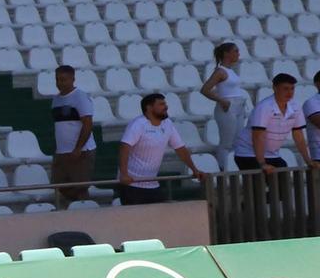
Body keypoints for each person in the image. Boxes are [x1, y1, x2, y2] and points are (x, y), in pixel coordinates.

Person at [117, 93, 205, 204]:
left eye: (165, 103)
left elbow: (180, 149)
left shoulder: (167, 124)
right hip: (132, 184)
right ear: (149, 107)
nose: (166, 107)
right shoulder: (138, 124)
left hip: (153, 183)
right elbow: (124, 147)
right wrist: (124, 175)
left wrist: (194, 170)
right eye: (161, 104)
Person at [235, 73, 314, 172]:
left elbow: (298, 135)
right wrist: (262, 163)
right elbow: (257, 136)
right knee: (260, 183)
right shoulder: (264, 107)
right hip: (248, 153)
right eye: (285, 89)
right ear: (275, 88)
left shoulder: (295, 106)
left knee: (283, 178)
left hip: (272, 155)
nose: (290, 92)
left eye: (292, 88)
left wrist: (308, 161)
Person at [48, 66, 97, 206]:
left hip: (80, 151)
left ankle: (82, 214)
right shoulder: (56, 99)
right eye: (57, 79)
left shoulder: (80, 97)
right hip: (62, 151)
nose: (60, 83)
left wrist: (78, 148)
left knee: (79, 187)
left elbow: (87, 123)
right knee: (60, 184)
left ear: (72, 79)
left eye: (63, 79)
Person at [199, 42, 250, 171]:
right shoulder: (220, 71)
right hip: (228, 108)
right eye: (236, 51)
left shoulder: (230, 71)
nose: (238, 54)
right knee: (226, 142)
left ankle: (233, 167)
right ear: (227, 53)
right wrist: (221, 101)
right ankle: (223, 168)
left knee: (237, 141)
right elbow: (205, 89)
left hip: (238, 107)